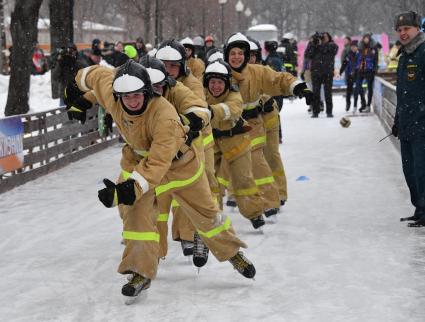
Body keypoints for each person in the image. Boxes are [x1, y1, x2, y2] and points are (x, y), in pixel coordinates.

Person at [64, 60, 256, 300]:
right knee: (134, 216)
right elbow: (96, 74)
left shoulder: (165, 114)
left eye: (137, 95)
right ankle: (139, 271)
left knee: (207, 214)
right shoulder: (112, 92)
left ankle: (232, 253)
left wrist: (127, 189)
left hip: (180, 165)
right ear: (117, 95)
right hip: (137, 162)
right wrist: (75, 85)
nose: (132, 101)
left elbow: (158, 162)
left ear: (148, 92)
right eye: (126, 97)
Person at [224, 32, 313, 221]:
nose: (237, 57)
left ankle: (271, 202)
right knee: (229, 165)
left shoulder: (257, 72)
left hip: (253, 124)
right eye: (233, 53)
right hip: (228, 128)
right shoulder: (220, 73)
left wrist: (297, 87)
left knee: (258, 161)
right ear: (226, 55)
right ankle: (236, 203)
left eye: (241, 53)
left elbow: (279, 79)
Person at [155, 39, 219, 254]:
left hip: (195, 140)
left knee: (200, 185)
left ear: (182, 66)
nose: (168, 70)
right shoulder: (152, 81)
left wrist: (190, 124)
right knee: (161, 193)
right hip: (166, 145)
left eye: (173, 66)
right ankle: (153, 239)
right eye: (163, 65)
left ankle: (195, 234)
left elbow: (197, 105)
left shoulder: (190, 83)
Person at [391, 11, 425, 227]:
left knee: (422, 171)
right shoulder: (404, 56)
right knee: (410, 172)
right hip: (406, 125)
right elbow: (401, 92)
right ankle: (420, 208)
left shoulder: (423, 52)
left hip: (422, 126)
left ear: (417, 29)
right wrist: (396, 120)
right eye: (400, 30)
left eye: (407, 29)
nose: (403, 33)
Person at [305, 32, 338, 118]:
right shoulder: (314, 46)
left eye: (325, 37)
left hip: (327, 72)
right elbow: (308, 55)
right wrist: (313, 43)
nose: (323, 38)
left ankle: (329, 112)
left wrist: (320, 44)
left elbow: (332, 49)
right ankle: (315, 112)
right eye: (322, 37)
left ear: (329, 37)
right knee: (315, 93)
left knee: (328, 93)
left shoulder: (332, 45)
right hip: (316, 73)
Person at [355, 33, 378, 113]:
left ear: (369, 39)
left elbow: (376, 59)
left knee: (369, 88)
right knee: (358, 86)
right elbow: (357, 58)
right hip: (361, 69)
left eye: (367, 38)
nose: (365, 40)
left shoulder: (373, 47)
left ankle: (368, 105)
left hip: (369, 69)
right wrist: (357, 67)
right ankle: (363, 103)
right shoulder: (360, 47)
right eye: (364, 38)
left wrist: (374, 68)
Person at [340, 40, 360, 112]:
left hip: (357, 74)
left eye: (354, 47)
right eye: (352, 47)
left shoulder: (359, 54)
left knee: (357, 90)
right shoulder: (349, 54)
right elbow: (345, 63)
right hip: (349, 75)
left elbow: (359, 64)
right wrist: (341, 71)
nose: (353, 48)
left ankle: (355, 105)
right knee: (349, 90)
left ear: (357, 47)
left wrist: (355, 70)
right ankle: (348, 104)